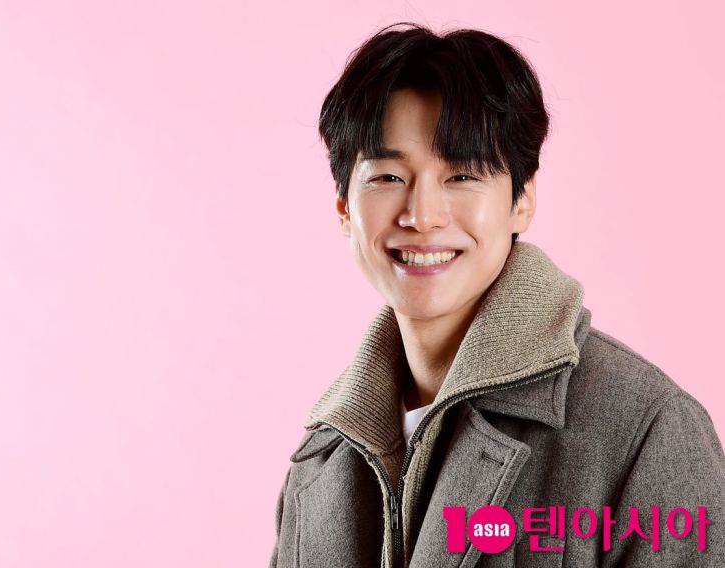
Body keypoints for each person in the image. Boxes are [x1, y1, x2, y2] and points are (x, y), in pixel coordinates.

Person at [269, 22, 725, 567]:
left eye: (462, 176)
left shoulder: (648, 430)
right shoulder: (319, 464)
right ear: (345, 207)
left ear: (522, 199)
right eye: (388, 177)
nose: (422, 216)